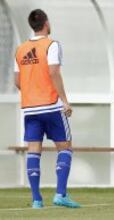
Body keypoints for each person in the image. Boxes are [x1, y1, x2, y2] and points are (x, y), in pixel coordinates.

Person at [14, 9, 80, 208]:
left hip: (30, 108)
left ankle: (36, 200)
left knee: (34, 150)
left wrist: (32, 91)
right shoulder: (52, 44)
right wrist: (65, 101)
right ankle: (60, 194)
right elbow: (53, 72)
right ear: (46, 23)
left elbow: (17, 81)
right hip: (51, 105)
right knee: (65, 147)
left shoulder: (20, 49)